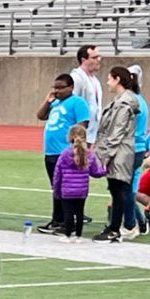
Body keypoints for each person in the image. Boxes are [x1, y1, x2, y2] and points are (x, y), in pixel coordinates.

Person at [34, 73, 90, 234]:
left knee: (66, 189)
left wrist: (75, 146)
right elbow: (40, 115)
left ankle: (67, 221)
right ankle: (57, 219)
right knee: (56, 187)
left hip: (64, 153)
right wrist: (48, 100)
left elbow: (82, 124)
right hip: (50, 152)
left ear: (71, 87)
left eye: (60, 88)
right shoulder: (55, 103)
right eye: (55, 87)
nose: (57, 91)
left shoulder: (77, 102)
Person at [93, 66, 141, 242]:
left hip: (119, 152)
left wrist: (105, 156)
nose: (107, 82)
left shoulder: (123, 104)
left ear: (117, 79)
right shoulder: (122, 101)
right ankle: (116, 227)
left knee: (118, 189)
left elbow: (116, 132)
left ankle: (115, 229)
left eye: (109, 78)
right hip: (119, 150)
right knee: (116, 189)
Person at [52, 125, 106, 242]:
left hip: (67, 190)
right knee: (80, 213)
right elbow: (96, 172)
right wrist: (104, 168)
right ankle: (78, 236)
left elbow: (57, 174)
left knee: (68, 213)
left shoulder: (65, 154)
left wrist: (56, 190)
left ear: (70, 137)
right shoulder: (89, 155)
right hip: (82, 190)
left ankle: (67, 235)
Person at [124, 65, 150, 237]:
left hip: (130, 148)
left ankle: (131, 224)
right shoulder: (139, 100)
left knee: (123, 190)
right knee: (128, 189)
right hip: (135, 147)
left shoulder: (132, 101)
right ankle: (139, 222)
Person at [69, 44, 104, 140]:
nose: (99, 60)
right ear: (84, 60)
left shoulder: (95, 80)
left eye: (99, 56)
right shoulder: (76, 78)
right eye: (94, 57)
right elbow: (72, 104)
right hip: (82, 132)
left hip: (93, 132)